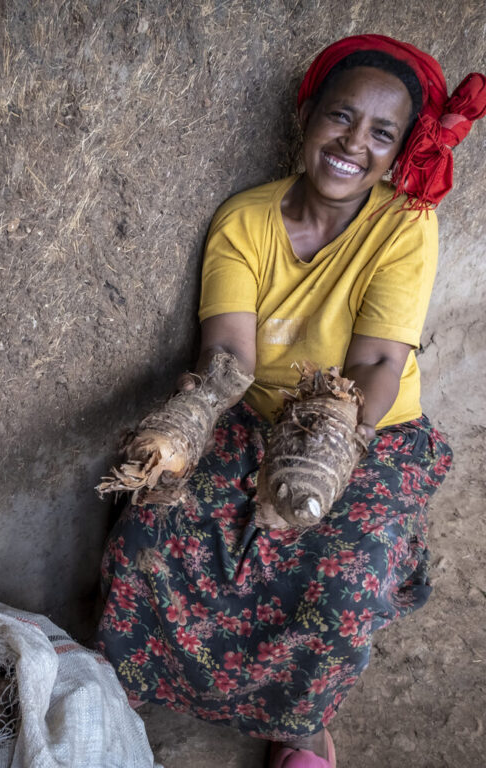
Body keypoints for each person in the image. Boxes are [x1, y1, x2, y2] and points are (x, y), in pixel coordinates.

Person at [96, 35, 486, 768]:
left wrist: (321, 460)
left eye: (381, 134)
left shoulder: (406, 225)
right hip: (251, 413)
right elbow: (230, 360)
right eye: (340, 118)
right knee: (154, 528)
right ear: (306, 116)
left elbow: (374, 362)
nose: (353, 145)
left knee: (344, 576)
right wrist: (187, 421)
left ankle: (301, 720)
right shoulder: (244, 222)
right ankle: (133, 685)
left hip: (369, 424)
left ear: (399, 150)